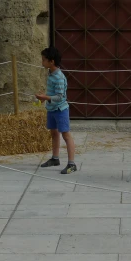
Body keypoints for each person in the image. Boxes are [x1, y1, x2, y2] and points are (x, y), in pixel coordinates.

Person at [35, 46, 77, 174]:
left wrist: (46, 97)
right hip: (52, 109)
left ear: (51, 61)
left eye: (43, 60)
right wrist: (45, 98)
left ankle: (71, 163)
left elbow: (60, 97)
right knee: (54, 133)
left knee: (66, 135)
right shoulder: (51, 74)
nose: (42, 62)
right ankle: (55, 158)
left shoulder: (58, 77)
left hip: (60, 110)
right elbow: (53, 95)